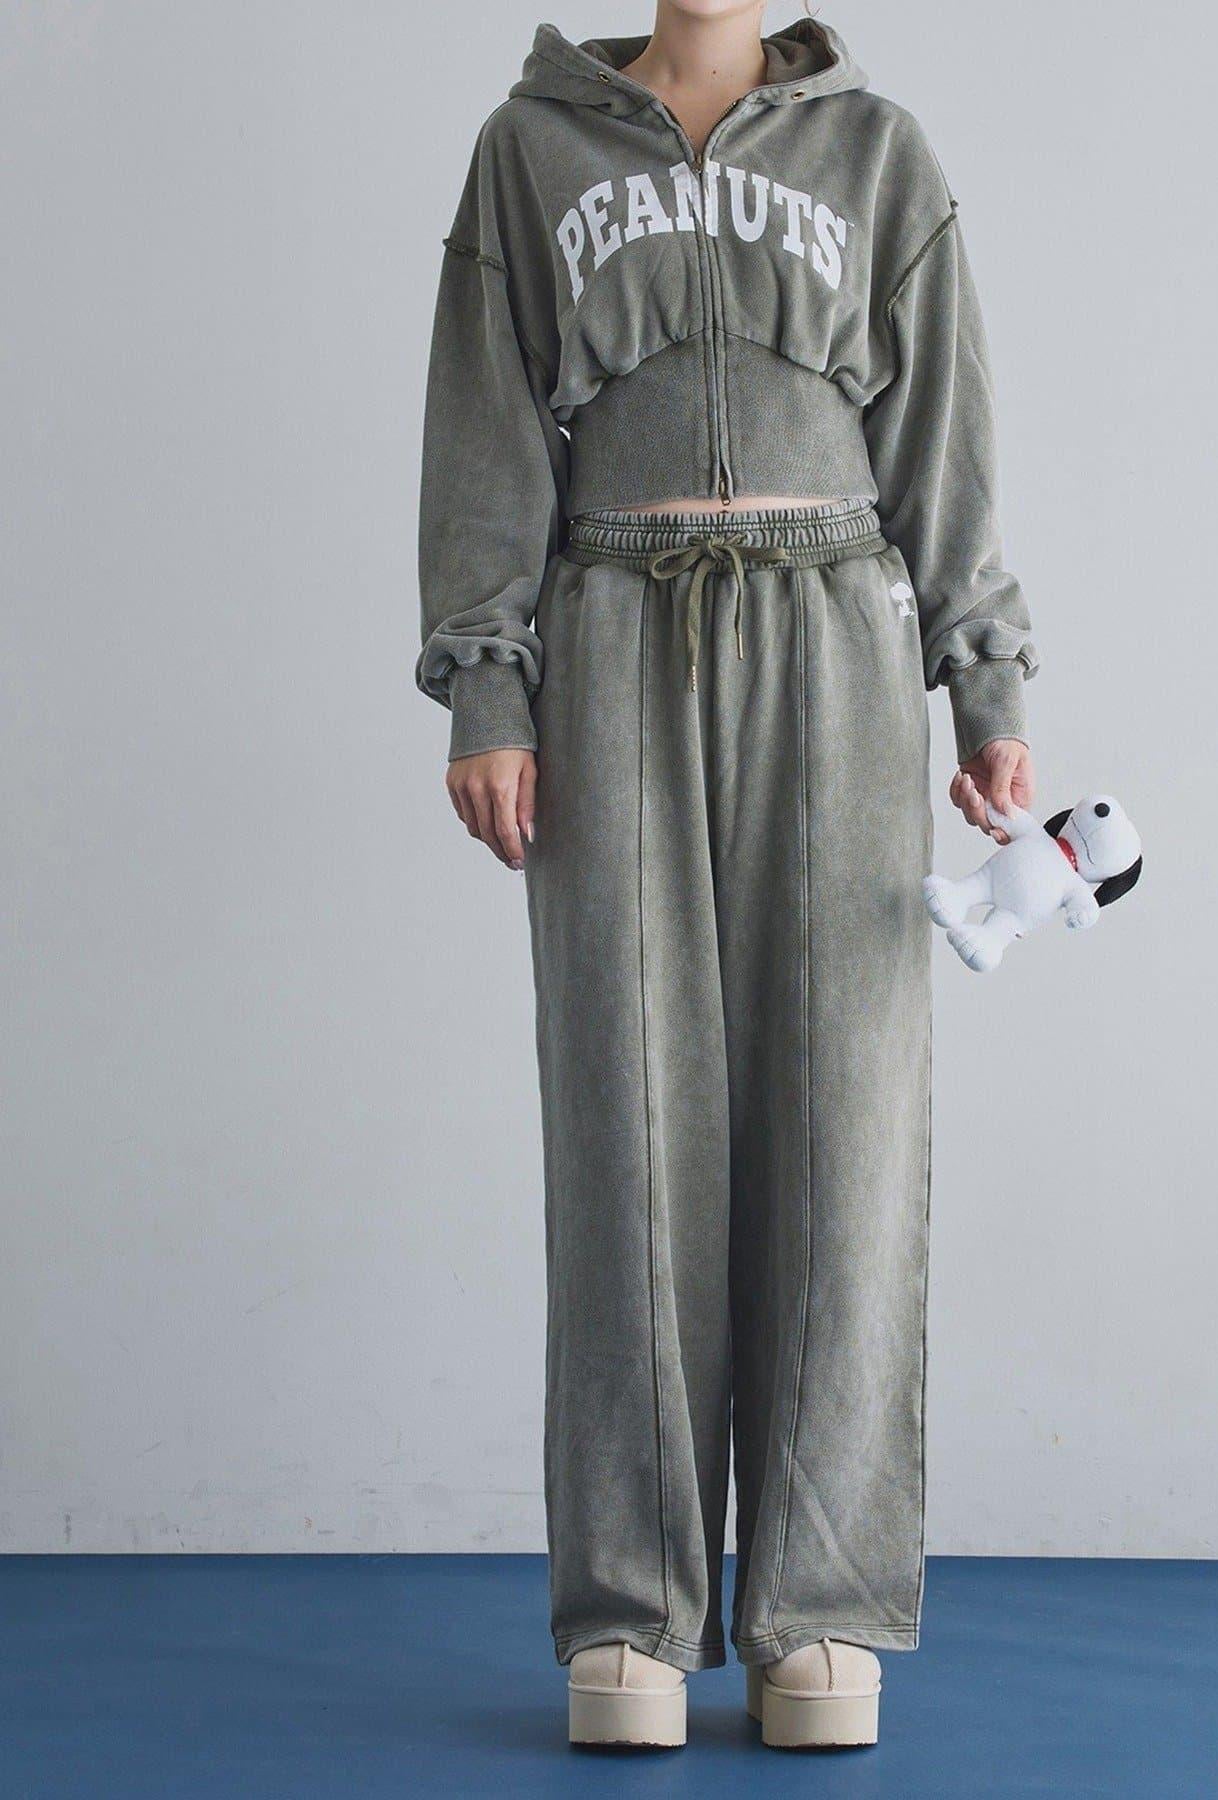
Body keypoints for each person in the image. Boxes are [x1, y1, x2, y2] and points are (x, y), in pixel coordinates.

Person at [417, 3, 1038, 1750]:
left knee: (845, 1117)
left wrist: (987, 687)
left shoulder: (879, 151)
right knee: (631, 1116)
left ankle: (818, 1607)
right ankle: (634, 1608)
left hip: (838, 639)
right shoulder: (530, 148)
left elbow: (944, 434)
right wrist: (488, 684)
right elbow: (484, 424)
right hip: (609, 634)